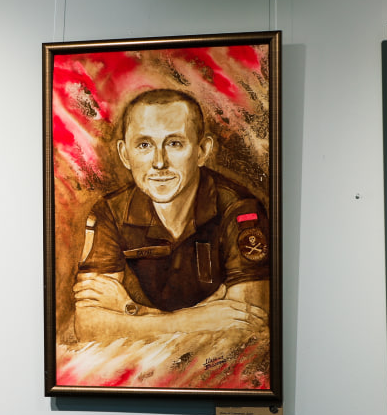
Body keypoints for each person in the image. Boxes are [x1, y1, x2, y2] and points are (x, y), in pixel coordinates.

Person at [72, 88, 270, 342]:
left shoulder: (239, 209)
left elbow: (248, 324)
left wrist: (131, 311)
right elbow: (87, 325)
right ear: (125, 154)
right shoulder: (110, 211)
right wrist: (197, 320)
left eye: (174, 143)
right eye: (144, 145)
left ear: (202, 151)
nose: (159, 163)